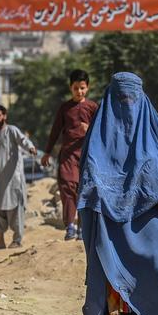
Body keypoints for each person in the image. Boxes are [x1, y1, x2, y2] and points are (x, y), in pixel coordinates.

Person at [77, 72, 158, 315]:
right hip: (112, 219)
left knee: (155, 266)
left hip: (149, 218)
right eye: (120, 98)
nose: (127, 104)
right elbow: (89, 170)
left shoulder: (153, 131)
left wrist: (144, 182)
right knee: (116, 273)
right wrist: (103, 188)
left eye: (131, 98)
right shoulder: (98, 133)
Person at [42, 69, 99, 241]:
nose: (79, 91)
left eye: (82, 88)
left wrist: (89, 129)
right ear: (70, 88)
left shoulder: (93, 107)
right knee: (67, 188)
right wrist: (47, 152)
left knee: (83, 190)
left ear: (87, 88)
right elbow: (55, 131)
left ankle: (83, 228)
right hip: (67, 155)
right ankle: (70, 226)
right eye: (76, 88)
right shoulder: (65, 108)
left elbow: (103, 131)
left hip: (87, 155)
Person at [0, 104, 36, 249]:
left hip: (13, 180)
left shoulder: (11, 130)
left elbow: (23, 140)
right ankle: (0, 241)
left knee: (15, 209)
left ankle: (17, 240)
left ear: (4, 116)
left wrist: (30, 147)